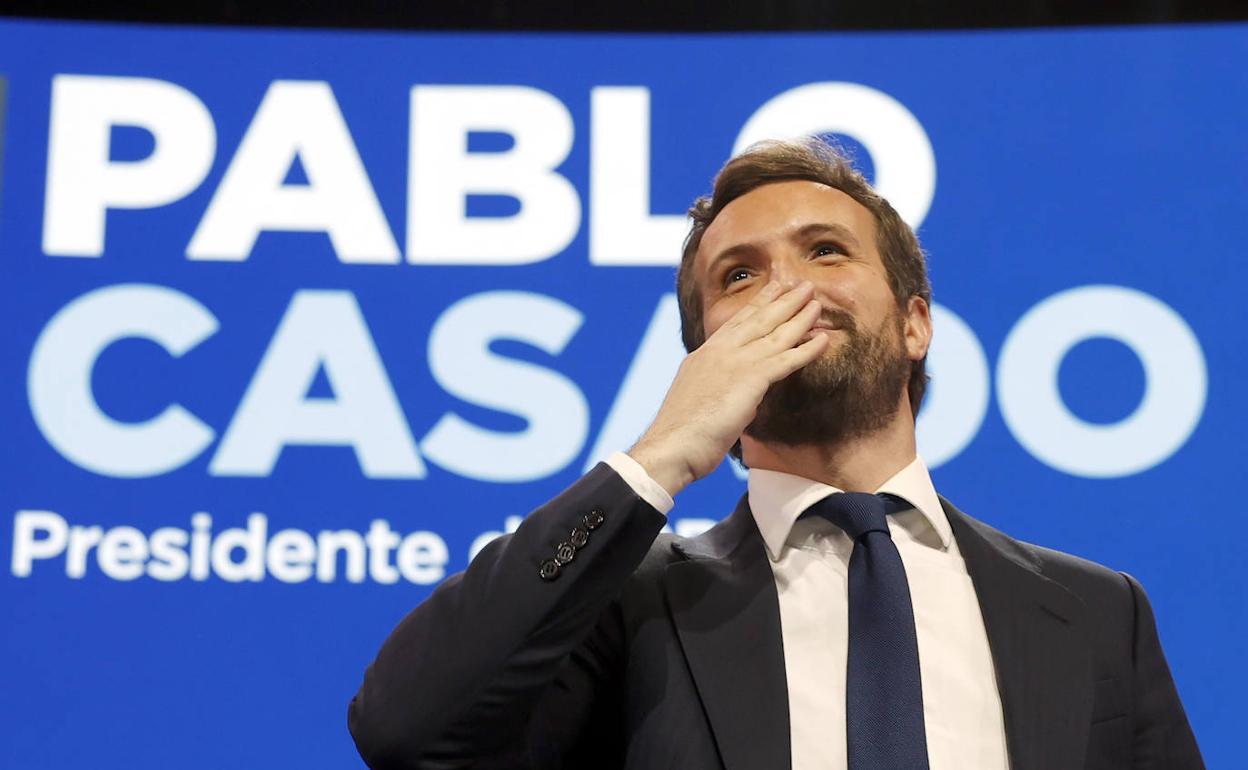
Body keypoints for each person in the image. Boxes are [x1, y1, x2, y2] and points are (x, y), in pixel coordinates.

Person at [348, 138, 1203, 769]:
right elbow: (406, 728)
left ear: (916, 323)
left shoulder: (1096, 613)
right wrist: (661, 454)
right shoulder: (629, 605)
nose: (788, 288)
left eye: (826, 251)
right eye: (739, 277)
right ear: (707, 357)